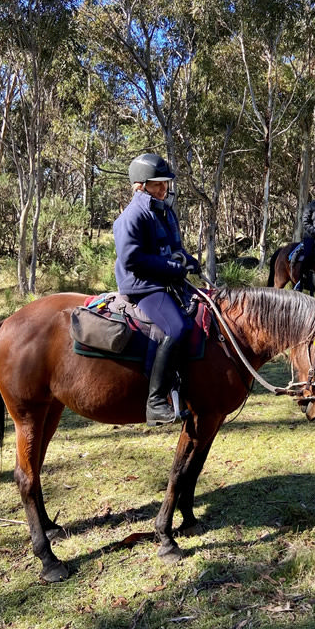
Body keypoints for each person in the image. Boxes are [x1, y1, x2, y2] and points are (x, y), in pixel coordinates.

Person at [113, 153, 201, 425]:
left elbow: (174, 249)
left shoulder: (164, 211)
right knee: (176, 328)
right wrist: (173, 268)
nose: (163, 189)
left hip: (164, 281)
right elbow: (132, 260)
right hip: (142, 286)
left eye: (165, 183)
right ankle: (154, 403)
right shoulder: (132, 216)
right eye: (156, 184)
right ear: (140, 186)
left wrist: (188, 260)